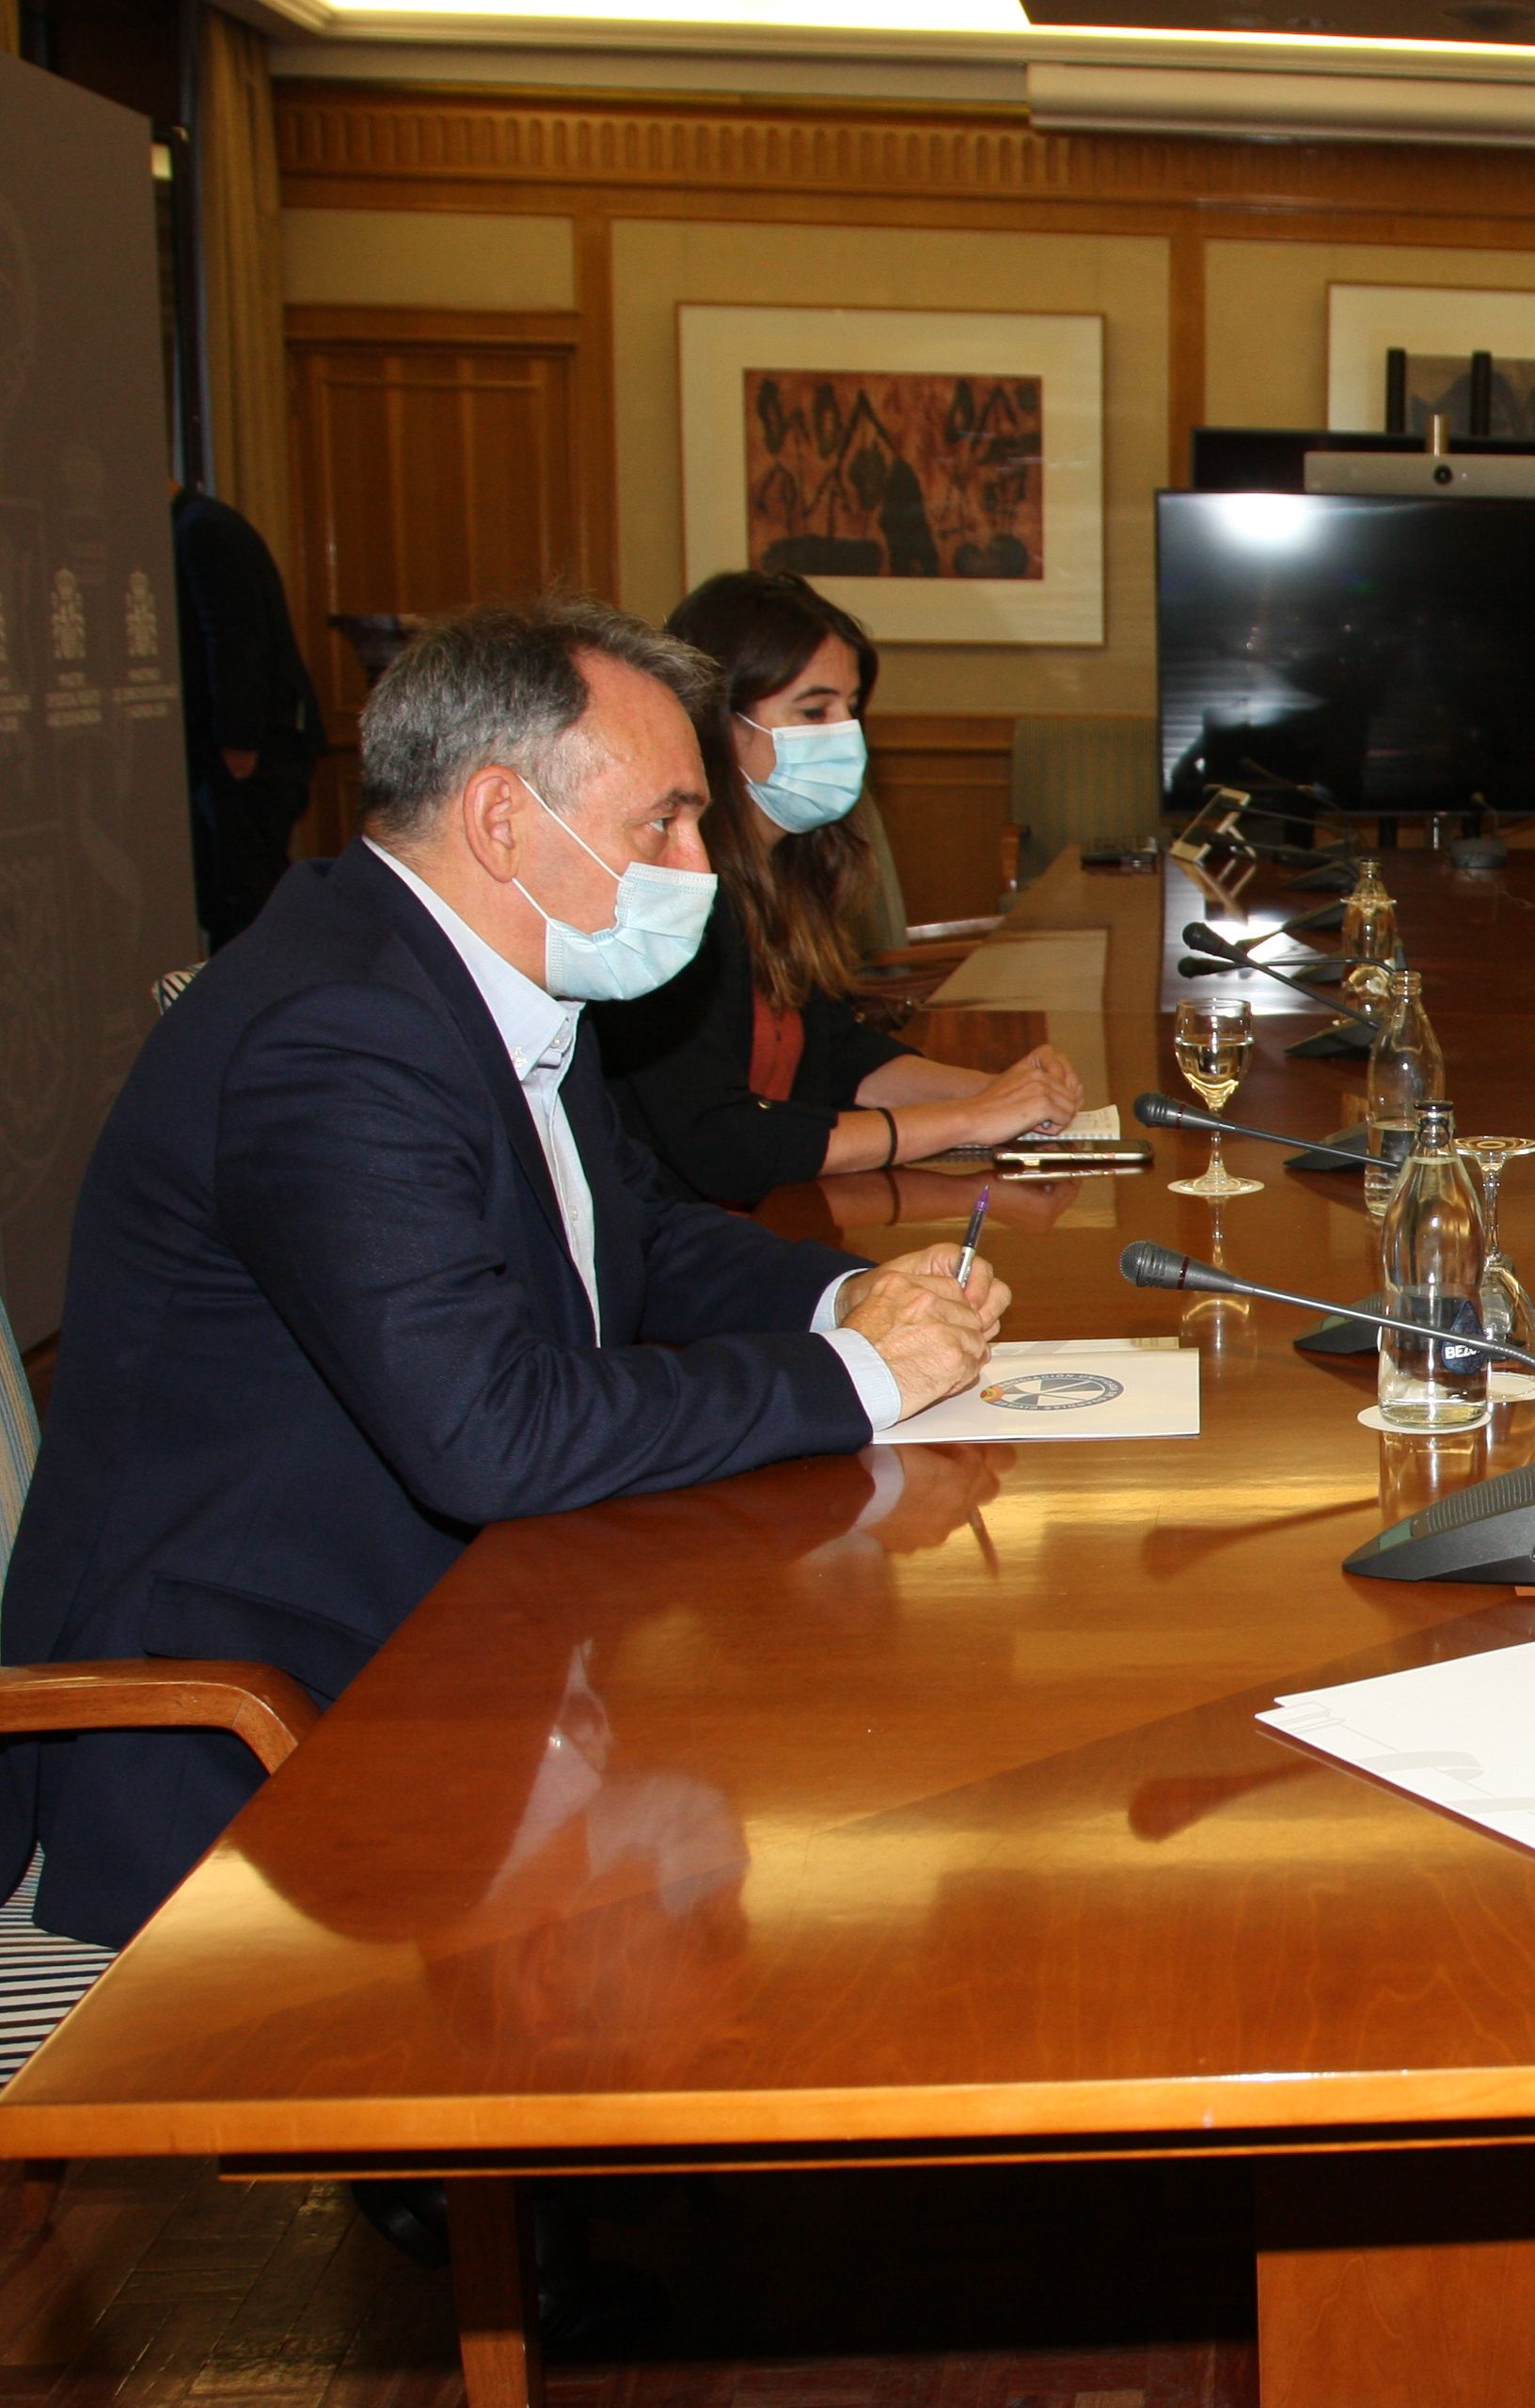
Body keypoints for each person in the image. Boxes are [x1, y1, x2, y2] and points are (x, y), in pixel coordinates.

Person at [0, 598, 1008, 1948]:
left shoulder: (488, 974)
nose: (699, 866)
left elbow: (635, 1234)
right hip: (265, 1738)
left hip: (468, 1641)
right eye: (665, 823)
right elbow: (491, 1433)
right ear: (500, 820)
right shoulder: (336, 1033)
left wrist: (850, 1298)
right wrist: (856, 1375)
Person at [598, 569, 1079, 1205]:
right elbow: (723, 1143)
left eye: (851, 709)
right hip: (677, 1233)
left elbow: (834, 1054)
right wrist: (969, 1119)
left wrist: (998, 1090)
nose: (845, 732)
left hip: (772, 1213)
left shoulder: (787, 871)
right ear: (718, 722)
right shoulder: (670, 898)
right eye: (814, 711)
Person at [171, 483, 328, 947]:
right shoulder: (195, 525)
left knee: (248, 901)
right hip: (235, 753)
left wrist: (237, 741)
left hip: (251, 756)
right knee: (228, 899)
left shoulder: (204, 529)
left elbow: (236, 640)